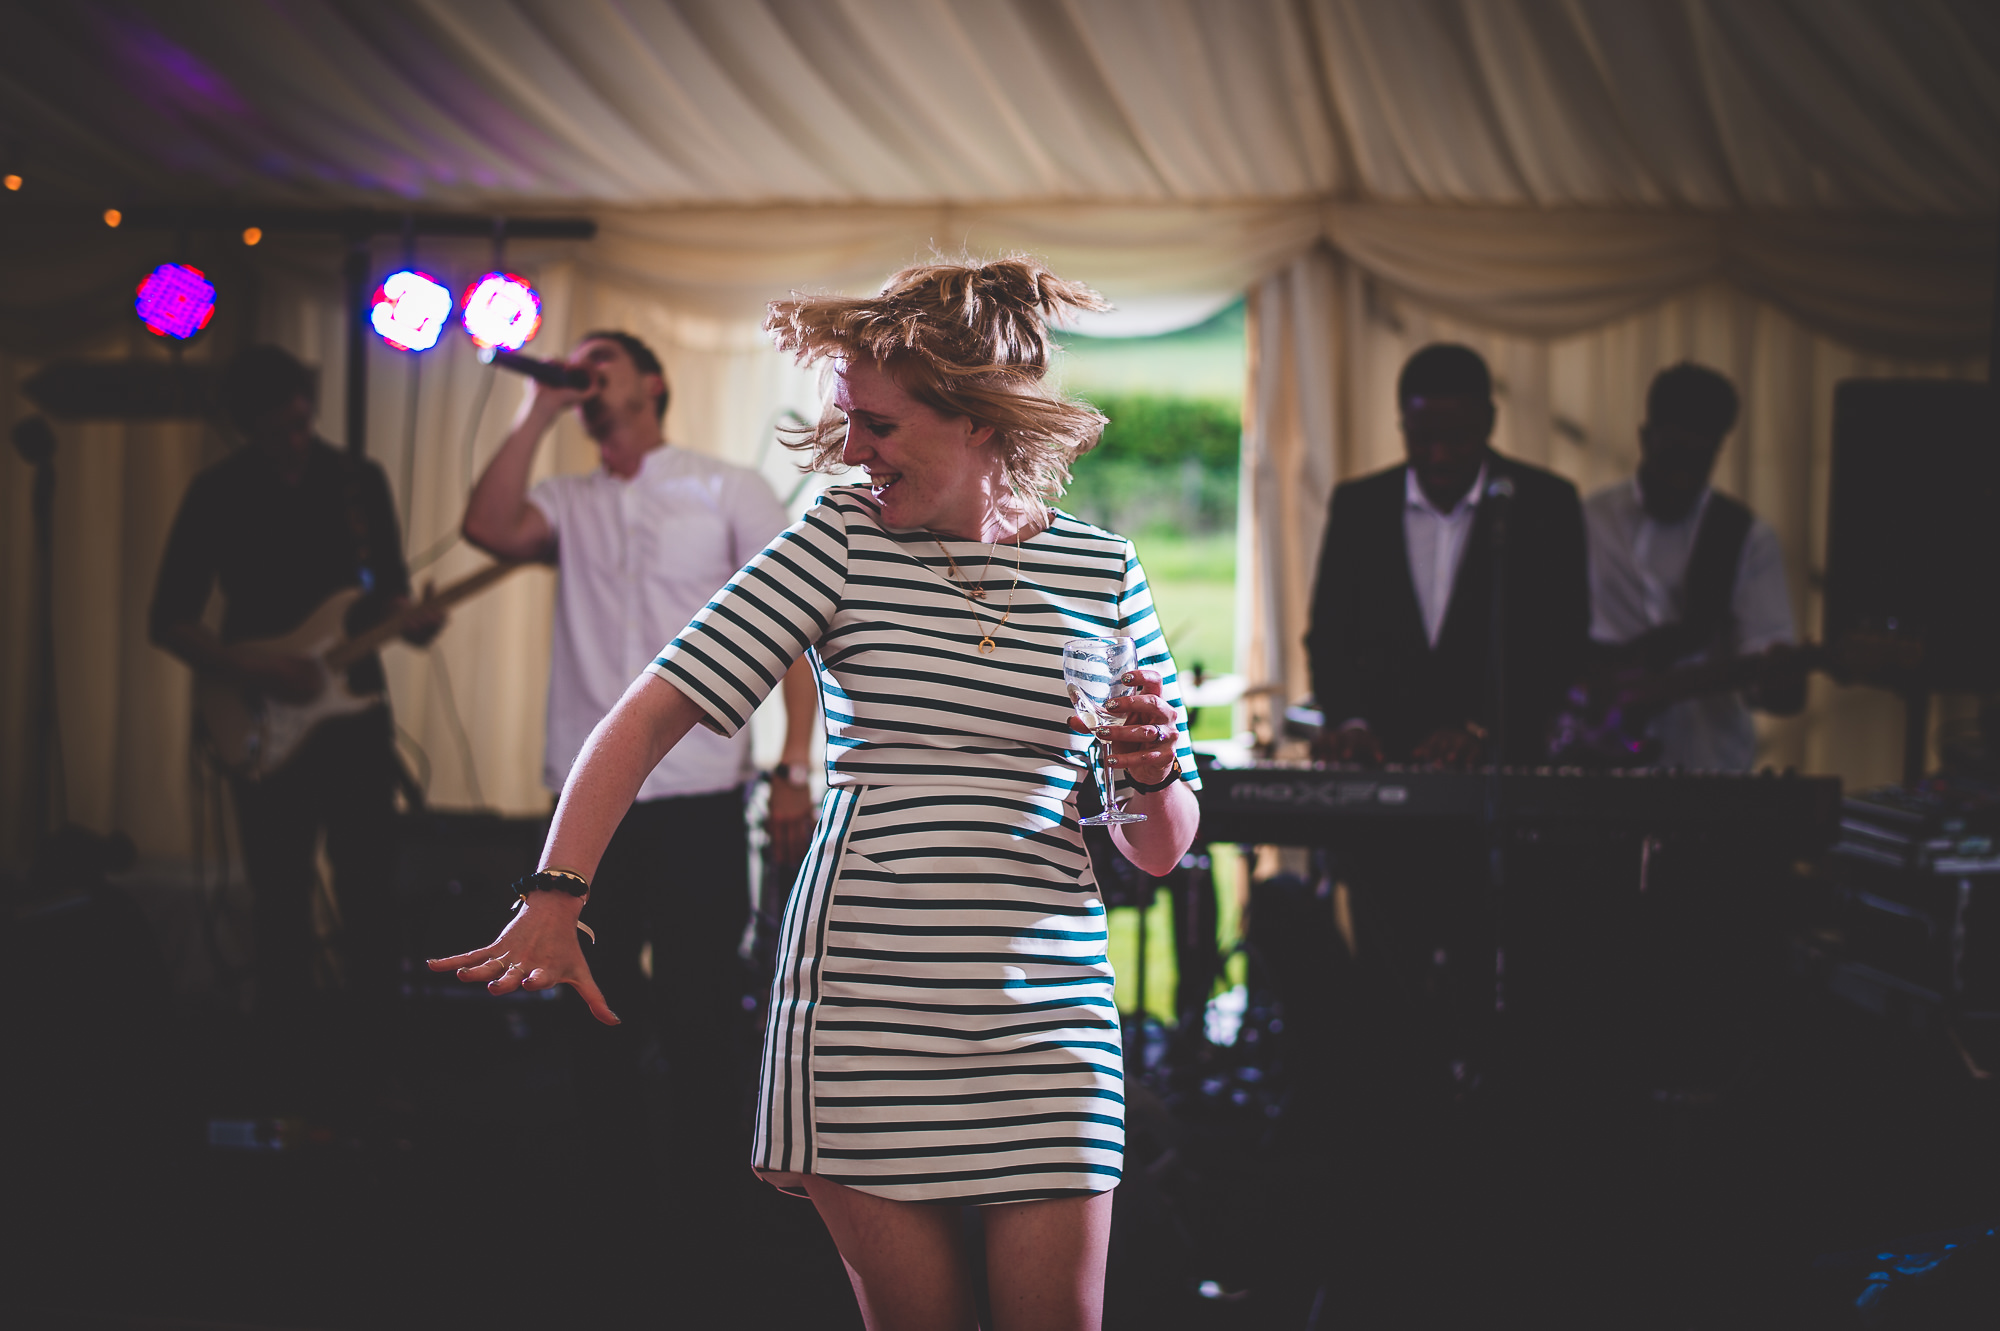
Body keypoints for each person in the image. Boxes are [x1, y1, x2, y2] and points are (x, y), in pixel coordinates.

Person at [434, 258, 1201, 1331]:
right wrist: (555, 893)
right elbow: (645, 716)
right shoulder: (836, 541)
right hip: (862, 1007)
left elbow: (1158, 847)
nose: (850, 450)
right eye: (845, 420)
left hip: (1047, 1016)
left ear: (979, 418)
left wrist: (1154, 766)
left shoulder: (1104, 572)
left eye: (877, 425)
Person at [459, 329, 819, 1205]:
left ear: (652, 383)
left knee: (701, 1005)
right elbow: (486, 527)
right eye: (574, 364)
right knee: (590, 1002)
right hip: (586, 805)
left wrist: (794, 765)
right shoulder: (566, 500)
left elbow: (796, 639)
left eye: (600, 363)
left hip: (698, 794)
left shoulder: (727, 487)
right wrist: (540, 402)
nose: (585, 377)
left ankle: (709, 1193)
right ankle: (612, 1194)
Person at [150, 343, 443, 1017]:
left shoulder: (357, 482)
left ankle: (373, 1059)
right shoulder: (218, 492)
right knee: (280, 896)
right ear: (245, 423)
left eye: (303, 424)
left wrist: (412, 620)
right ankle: (287, 1067)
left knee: (370, 890)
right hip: (259, 713)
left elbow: (386, 596)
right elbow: (169, 619)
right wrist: (258, 667)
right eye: (279, 429)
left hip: (355, 714)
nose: (296, 440)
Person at [1306, 343, 1589, 767]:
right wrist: (1352, 724)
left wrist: (1482, 729)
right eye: (1422, 439)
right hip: (1381, 767)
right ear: (1403, 424)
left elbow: (1560, 641)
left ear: (1489, 423)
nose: (1439, 454)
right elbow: (1329, 635)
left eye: (1457, 438)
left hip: (1501, 768)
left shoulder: (1544, 504)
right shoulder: (1359, 505)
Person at [1581, 361, 1805, 770]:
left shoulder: (1746, 538)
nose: (1681, 479)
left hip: (1706, 766)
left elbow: (1766, 665)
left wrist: (1778, 680)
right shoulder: (1587, 521)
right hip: (1595, 762)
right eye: (1672, 458)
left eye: (1698, 463)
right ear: (1645, 438)